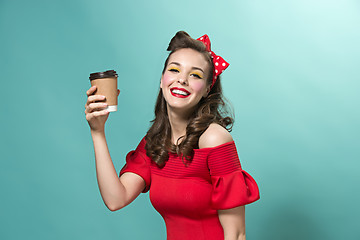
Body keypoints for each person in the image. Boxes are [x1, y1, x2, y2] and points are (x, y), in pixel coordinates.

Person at [84, 31, 260, 240]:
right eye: (174, 70)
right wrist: (97, 132)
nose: (182, 80)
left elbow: (237, 234)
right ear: (162, 80)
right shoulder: (155, 142)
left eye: (195, 75)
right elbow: (116, 199)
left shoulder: (214, 139)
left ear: (206, 90)